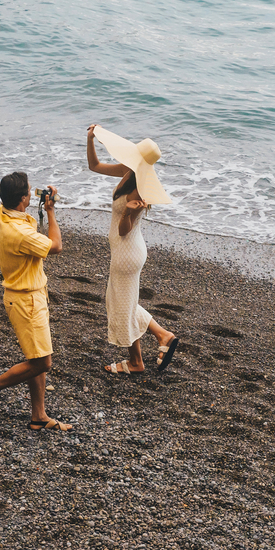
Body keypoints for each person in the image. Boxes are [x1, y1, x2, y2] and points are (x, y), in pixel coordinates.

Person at [0, 171, 73, 431]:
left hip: (28, 296)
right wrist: (50, 212)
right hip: (26, 301)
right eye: (29, 190)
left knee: (36, 355)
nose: (32, 191)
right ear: (23, 199)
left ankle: (39, 415)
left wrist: (38, 207)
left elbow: (27, 225)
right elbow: (56, 246)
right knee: (42, 361)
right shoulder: (21, 235)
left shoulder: (2, 214)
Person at [87, 124, 180, 375]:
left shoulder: (140, 188)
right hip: (126, 252)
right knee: (122, 303)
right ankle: (162, 336)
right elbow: (94, 167)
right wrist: (91, 140)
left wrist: (129, 211)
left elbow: (123, 230)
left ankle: (138, 360)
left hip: (127, 253)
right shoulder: (128, 171)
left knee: (121, 305)